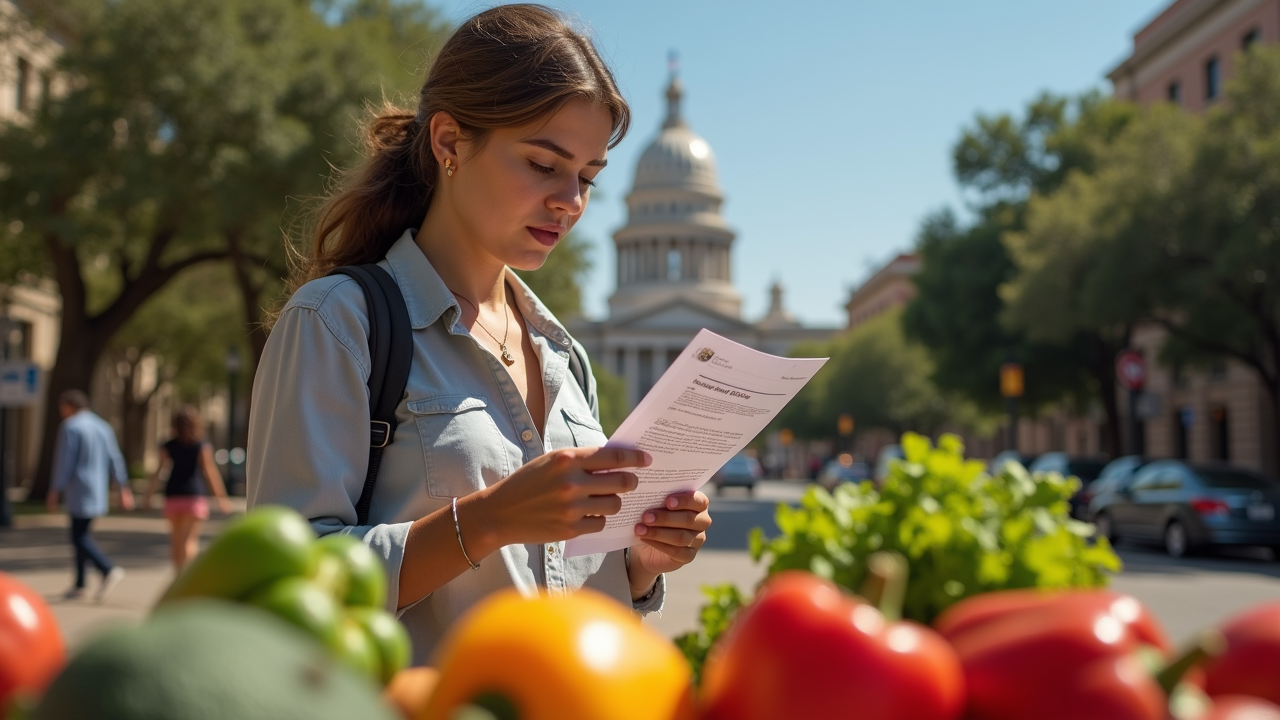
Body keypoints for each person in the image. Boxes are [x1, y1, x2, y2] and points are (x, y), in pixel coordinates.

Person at [248, 4, 713, 663]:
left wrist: (640, 561)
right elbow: (280, 585)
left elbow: (568, 581)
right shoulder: (340, 323)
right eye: (543, 164)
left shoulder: (564, 354)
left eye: (586, 177)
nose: (570, 202)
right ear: (449, 143)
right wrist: (486, 521)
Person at [46, 389, 133, 602]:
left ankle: (107, 568)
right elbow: (115, 458)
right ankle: (80, 584)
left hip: (78, 489)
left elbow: (64, 462)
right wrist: (123, 487)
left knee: (79, 536)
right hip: (97, 490)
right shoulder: (103, 426)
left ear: (69, 405)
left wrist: (55, 489)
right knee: (81, 533)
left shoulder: (70, 427)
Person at [142, 406, 232, 572]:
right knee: (189, 542)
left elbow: (157, 471)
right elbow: (210, 471)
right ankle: (186, 580)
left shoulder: (168, 445)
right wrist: (221, 498)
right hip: (194, 497)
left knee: (176, 543)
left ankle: (178, 577)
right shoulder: (201, 444)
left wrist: (148, 495)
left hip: (173, 496)